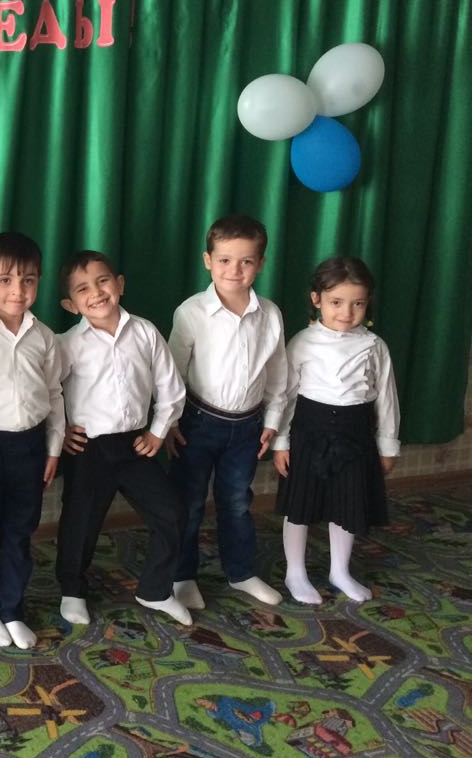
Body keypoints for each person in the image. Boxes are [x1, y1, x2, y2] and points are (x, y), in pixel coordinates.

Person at [55, 252, 191, 627]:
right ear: (70, 305)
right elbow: (48, 392)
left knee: (172, 513)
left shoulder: (145, 333)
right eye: (83, 289)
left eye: (103, 281)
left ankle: (156, 589)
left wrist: (158, 431)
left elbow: (171, 388)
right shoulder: (67, 344)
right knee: (80, 521)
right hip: (89, 448)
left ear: (120, 284)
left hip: (135, 445)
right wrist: (60, 430)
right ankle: (72, 590)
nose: (96, 293)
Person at [167, 215, 288, 610]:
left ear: (261, 263)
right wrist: (169, 423)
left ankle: (241, 572)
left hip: (247, 426)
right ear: (208, 260)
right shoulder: (191, 312)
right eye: (224, 260)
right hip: (197, 423)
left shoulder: (270, 314)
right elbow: (171, 373)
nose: (234, 270)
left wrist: (272, 422)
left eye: (246, 261)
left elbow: (278, 374)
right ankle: (182, 574)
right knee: (188, 503)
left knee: (236, 501)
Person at [273, 257, 398, 604]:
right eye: (337, 302)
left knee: (348, 505)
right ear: (317, 300)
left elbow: (386, 398)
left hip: (355, 437)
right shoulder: (302, 342)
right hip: (308, 435)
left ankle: (339, 571)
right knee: (300, 506)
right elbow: (285, 395)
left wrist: (388, 445)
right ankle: (295, 573)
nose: (347, 312)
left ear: (368, 303)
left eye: (358, 303)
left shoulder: (374, 346)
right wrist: (281, 442)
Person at [0, 232, 64, 649]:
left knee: (20, 533)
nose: (18, 291)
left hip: (31, 448)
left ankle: (12, 608)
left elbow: (55, 394)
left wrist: (54, 448)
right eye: (5, 280)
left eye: (28, 280)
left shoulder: (45, 337)